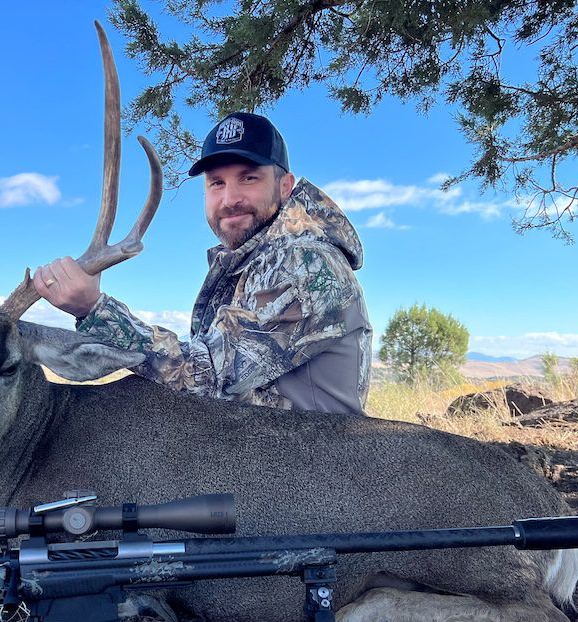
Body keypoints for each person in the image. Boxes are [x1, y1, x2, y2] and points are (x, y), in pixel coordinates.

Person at [33, 111, 372, 414]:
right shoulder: (250, 264)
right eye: (216, 183)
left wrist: (93, 309)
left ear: (285, 186)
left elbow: (206, 378)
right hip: (259, 460)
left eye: (249, 178)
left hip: (308, 470)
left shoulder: (304, 262)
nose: (230, 199)